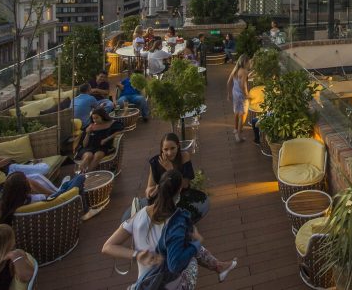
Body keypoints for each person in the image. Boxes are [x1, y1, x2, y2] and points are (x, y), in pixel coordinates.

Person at [102, 170, 237, 289]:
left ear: (158, 188)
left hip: (146, 284)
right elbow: (175, 265)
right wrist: (196, 242)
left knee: (191, 247)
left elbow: (107, 247)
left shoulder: (138, 216)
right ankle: (219, 267)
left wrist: (136, 255)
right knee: (193, 254)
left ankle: (220, 267)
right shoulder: (176, 224)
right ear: (179, 191)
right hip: (169, 285)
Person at [145, 133, 208, 221]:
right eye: (166, 149)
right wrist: (150, 191)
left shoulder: (184, 156)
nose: (169, 153)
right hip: (163, 199)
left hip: (182, 197)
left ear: (178, 146)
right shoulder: (155, 162)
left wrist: (170, 169)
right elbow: (149, 187)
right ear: (161, 149)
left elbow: (185, 185)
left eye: (172, 148)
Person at [0, 171, 88, 225]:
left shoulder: (9, 205)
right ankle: (86, 210)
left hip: (49, 206)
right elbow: (48, 196)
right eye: (27, 182)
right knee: (80, 177)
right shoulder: (33, 200)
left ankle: (65, 186)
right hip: (56, 205)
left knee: (66, 185)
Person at [76, 107, 124, 172]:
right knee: (88, 156)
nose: (95, 120)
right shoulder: (90, 126)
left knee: (98, 155)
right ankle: (81, 174)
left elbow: (121, 131)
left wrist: (107, 139)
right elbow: (84, 145)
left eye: (97, 118)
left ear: (103, 116)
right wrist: (87, 133)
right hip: (88, 148)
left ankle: (88, 174)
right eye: (93, 118)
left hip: (102, 147)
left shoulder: (111, 123)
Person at [226, 54, 250, 142]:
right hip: (241, 95)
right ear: (245, 62)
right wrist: (246, 95)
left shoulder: (235, 70)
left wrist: (228, 94)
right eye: (249, 62)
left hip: (235, 93)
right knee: (242, 115)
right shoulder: (244, 71)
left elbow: (228, 82)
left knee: (236, 112)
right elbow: (242, 85)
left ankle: (235, 129)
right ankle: (238, 135)